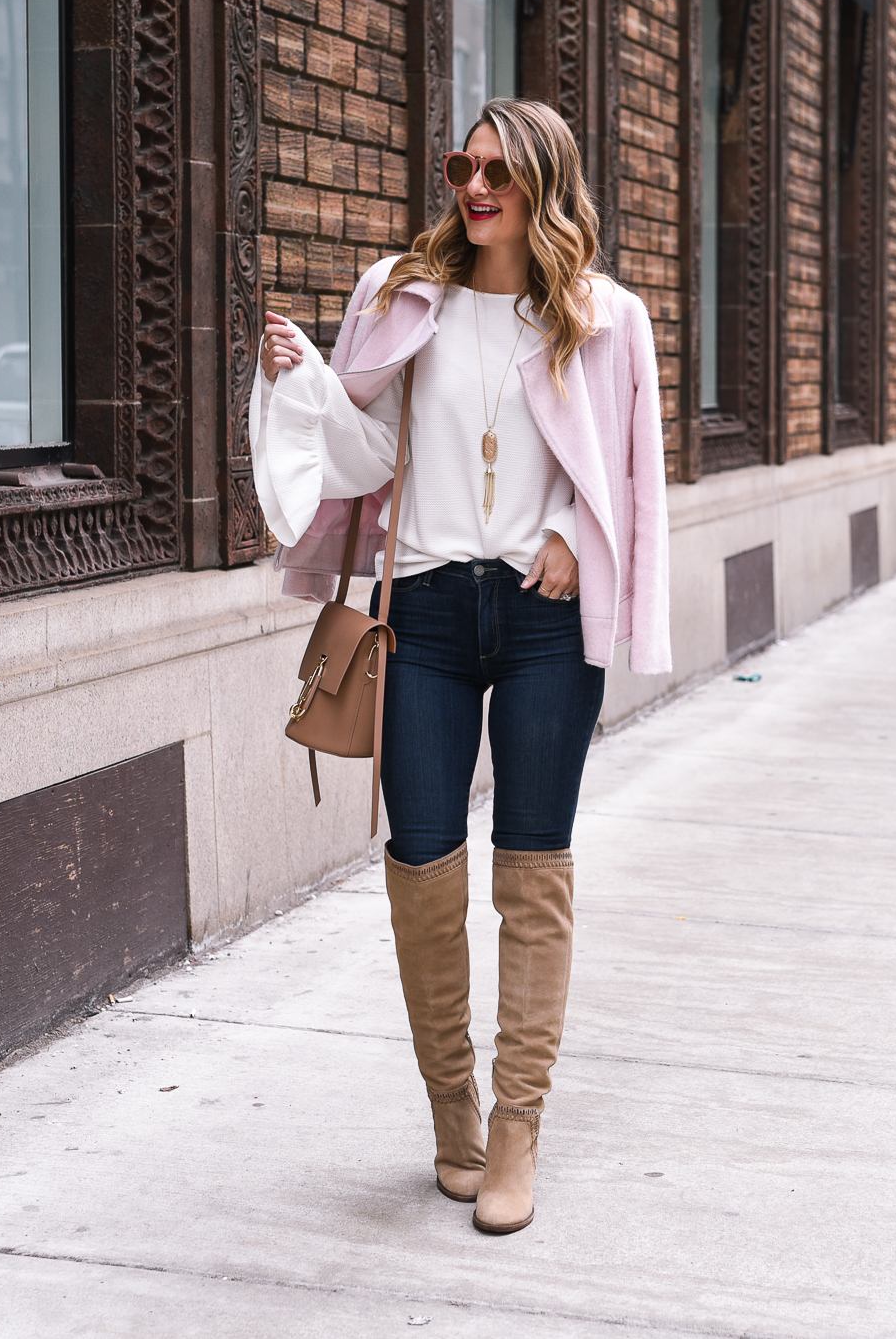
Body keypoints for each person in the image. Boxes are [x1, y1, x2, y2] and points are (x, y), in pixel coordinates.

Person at [250, 98, 670, 1235]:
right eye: (462, 167)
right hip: (422, 616)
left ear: (548, 182)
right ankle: (456, 1112)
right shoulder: (400, 294)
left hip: (539, 621)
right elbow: (363, 451)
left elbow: (630, 478)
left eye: (501, 171)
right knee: (422, 861)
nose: (476, 188)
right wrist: (305, 383)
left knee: (533, 866)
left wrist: (576, 543)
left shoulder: (605, 319)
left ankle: (521, 1126)